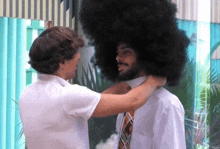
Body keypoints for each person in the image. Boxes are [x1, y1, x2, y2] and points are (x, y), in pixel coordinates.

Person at [18, 26, 166, 149]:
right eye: (75, 52)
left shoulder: (27, 94)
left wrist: (128, 84)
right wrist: (154, 80)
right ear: (62, 61)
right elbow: (132, 101)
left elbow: (94, 102)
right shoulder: (68, 96)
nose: (79, 57)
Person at [79, 0, 190, 148]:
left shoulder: (166, 104)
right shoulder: (125, 101)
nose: (118, 58)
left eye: (126, 52)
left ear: (147, 54)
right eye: (117, 53)